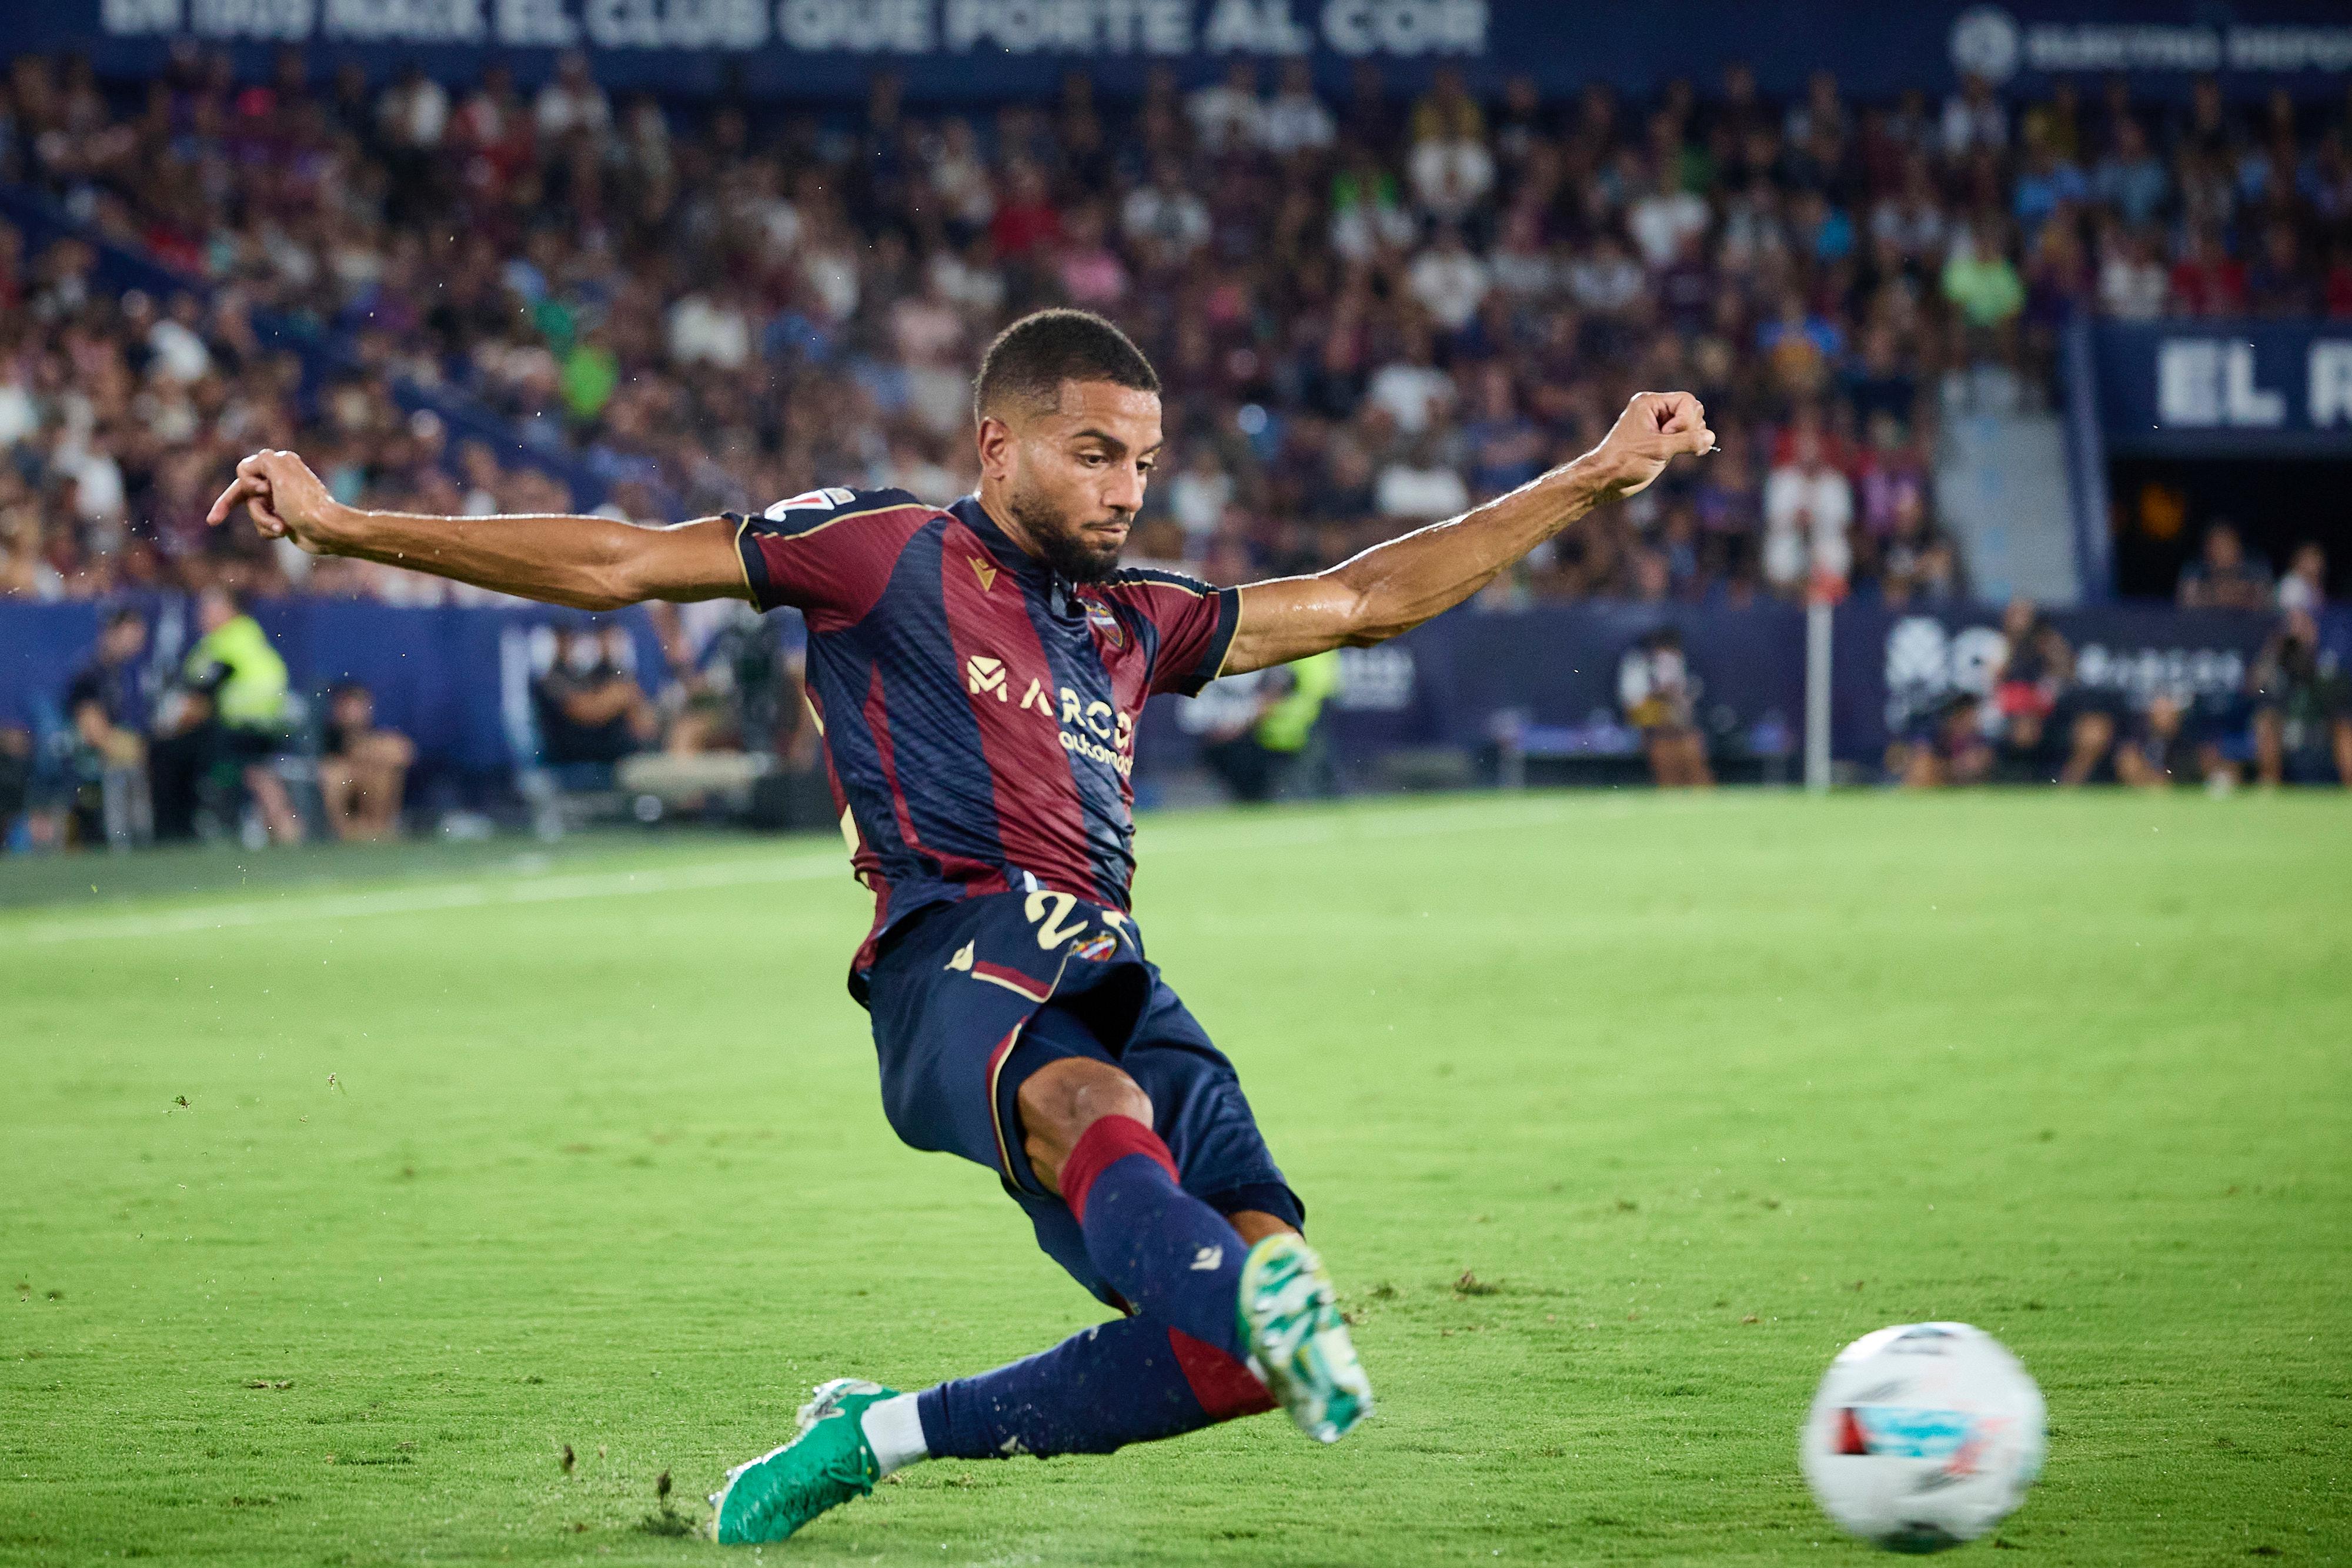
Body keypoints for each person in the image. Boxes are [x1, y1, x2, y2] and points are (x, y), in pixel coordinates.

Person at [206, 307, 1715, 1544]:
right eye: (1092, 455)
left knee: (1239, 1355)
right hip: (950, 963)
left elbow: (1365, 598)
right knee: (1106, 1118)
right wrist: (344, 528)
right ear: (996, 445)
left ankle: (874, 1439)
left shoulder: (1138, 623)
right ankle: (1226, 1290)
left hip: (1116, 971)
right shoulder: (881, 552)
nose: (1127, 490)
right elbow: (615, 563)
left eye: (1143, 461)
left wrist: (1593, 474)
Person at [150, 587, 299, 844]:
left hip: (243, 725)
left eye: (210, 607)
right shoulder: (246, 635)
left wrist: (167, 729)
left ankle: (181, 831)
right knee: (261, 778)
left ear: (229, 610)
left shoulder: (225, 643)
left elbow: (200, 700)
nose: (202, 614)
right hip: (266, 723)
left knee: (172, 754)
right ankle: (286, 834)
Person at [1200, 647, 1340, 804]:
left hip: (1283, 737)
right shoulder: (1321, 648)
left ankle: (1256, 802)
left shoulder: (1298, 648)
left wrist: (1238, 726)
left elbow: (1275, 695)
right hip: (1291, 733)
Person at [61, 607, 152, 847]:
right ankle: (122, 841)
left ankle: (141, 838)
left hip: (113, 743)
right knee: (126, 764)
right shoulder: (91, 671)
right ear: (112, 633)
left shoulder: (123, 670)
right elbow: (93, 731)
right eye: (133, 631)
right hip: (83, 751)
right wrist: (133, 749)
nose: (140, 638)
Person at [530, 624, 657, 778]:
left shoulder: (610, 674)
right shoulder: (552, 679)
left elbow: (646, 726)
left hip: (615, 763)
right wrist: (619, 697)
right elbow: (588, 711)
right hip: (570, 768)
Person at [2250, 610, 2352, 787]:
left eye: (2303, 628)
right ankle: (2269, 786)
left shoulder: (2329, 669)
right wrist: (2275, 650)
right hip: (2290, 749)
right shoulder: (2279, 673)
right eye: (2292, 629)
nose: (2298, 635)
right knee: (2266, 722)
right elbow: (2256, 687)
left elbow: (2340, 711)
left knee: (2343, 727)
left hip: (2324, 747)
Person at [317, 682, 415, 841]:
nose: (352, 713)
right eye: (346, 706)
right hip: (341, 803)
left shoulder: (377, 735)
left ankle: (379, 829)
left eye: (357, 706)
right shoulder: (324, 738)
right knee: (335, 775)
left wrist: (364, 755)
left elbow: (404, 753)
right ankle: (343, 833)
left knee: (382, 771)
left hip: (370, 805)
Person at [1616, 627, 1713, 787]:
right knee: (1666, 766)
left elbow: (1695, 694)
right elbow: (1633, 705)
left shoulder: (1684, 662)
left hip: (1684, 731)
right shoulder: (1639, 665)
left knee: (1695, 764)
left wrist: (1678, 696)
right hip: (1653, 732)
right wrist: (1659, 694)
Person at [2176, 521, 2271, 611]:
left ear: (2238, 546)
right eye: (2216, 545)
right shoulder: (2196, 570)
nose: (2221, 551)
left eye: (2226, 544)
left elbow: (2263, 601)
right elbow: (2187, 600)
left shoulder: (2254, 569)